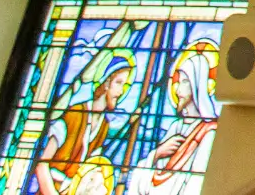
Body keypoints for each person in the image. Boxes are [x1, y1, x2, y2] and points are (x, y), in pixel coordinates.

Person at [33, 48, 138, 195]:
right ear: (106, 82)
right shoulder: (74, 114)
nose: (121, 91)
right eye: (119, 83)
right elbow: (41, 165)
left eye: (124, 85)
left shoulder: (103, 126)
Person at [126, 41, 220, 195]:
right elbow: (146, 181)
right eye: (177, 82)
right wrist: (156, 154)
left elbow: (196, 183)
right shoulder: (175, 127)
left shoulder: (209, 133)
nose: (177, 89)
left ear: (197, 86)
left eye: (184, 82)